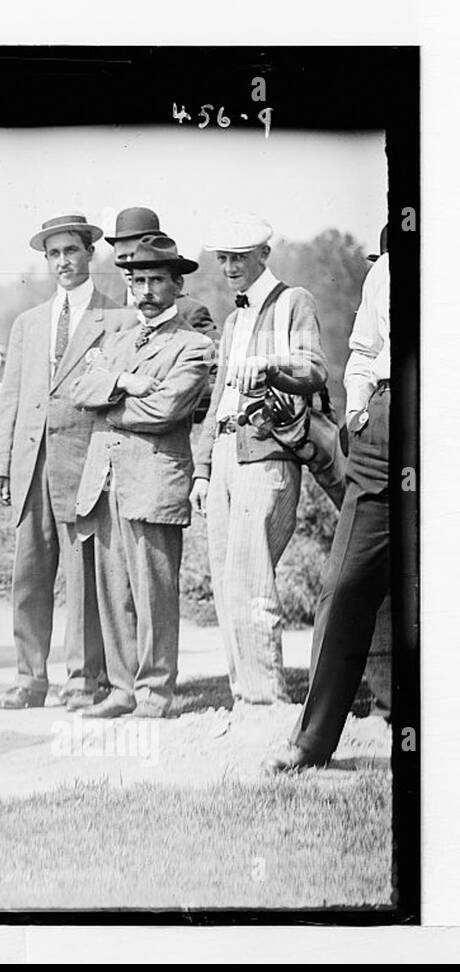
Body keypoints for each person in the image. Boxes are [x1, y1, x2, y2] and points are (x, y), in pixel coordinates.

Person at [0, 213, 131, 712]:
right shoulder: (28, 323)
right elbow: (11, 397)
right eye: (54, 254)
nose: (63, 262)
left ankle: (82, 679)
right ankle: (29, 679)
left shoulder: (118, 318)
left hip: (86, 462)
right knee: (28, 575)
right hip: (31, 463)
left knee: (83, 573)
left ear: (91, 253)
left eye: (72, 251)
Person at [70, 236, 213, 718]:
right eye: (137, 281)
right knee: (112, 591)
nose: (146, 290)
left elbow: (165, 410)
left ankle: (155, 692)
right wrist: (125, 382)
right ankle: (122, 689)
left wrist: (107, 403)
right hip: (105, 478)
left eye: (156, 280)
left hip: (153, 479)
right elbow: (77, 387)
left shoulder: (194, 345)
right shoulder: (118, 339)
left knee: (153, 592)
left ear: (177, 284)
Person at [190, 213, 328, 708]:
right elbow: (218, 399)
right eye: (223, 258)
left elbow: (314, 368)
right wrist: (203, 470)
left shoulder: (294, 301)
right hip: (226, 452)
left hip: (267, 453)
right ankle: (245, 699)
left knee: (250, 581)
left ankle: (268, 702)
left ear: (263, 255)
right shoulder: (232, 319)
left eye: (239, 257)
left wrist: (269, 365)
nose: (229, 266)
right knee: (228, 584)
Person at [264, 248, 391, 772]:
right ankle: (313, 741)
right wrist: (360, 412)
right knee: (344, 584)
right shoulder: (388, 269)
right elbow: (364, 351)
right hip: (387, 424)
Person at [105, 207, 217, 336]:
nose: (129, 267)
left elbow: (209, 352)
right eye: (122, 258)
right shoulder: (109, 309)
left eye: (136, 257)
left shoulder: (190, 311)